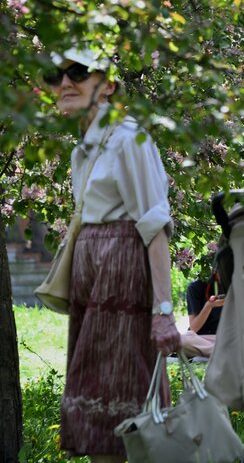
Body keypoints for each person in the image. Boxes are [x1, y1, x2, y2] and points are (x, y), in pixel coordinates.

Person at [45, 47, 181, 462]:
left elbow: (155, 225)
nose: (66, 83)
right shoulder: (82, 148)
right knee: (95, 402)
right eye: (57, 75)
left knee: (123, 407)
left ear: (107, 86)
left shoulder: (129, 138)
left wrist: (163, 310)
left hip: (121, 282)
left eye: (79, 72)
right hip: (94, 285)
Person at [180, 269, 224, 359]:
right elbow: (193, 328)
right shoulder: (196, 287)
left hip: (226, 339)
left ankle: (221, 351)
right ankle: (223, 352)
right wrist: (209, 306)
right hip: (202, 339)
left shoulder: (237, 285)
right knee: (182, 340)